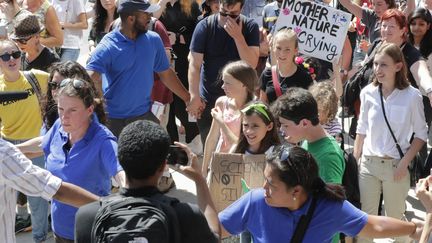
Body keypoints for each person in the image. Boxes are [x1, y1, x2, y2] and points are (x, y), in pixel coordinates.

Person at [219, 146, 423, 243]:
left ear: (296, 191)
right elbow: (214, 229)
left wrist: (414, 228)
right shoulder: (256, 201)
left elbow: (374, 226)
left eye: (271, 183)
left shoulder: (329, 207)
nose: (263, 187)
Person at [74, 120, 221, 242]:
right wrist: (200, 180)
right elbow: (215, 235)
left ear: (121, 160)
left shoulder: (87, 217)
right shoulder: (186, 215)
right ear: (163, 166)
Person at [18, 78, 125, 242]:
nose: (64, 117)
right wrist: (10, 151)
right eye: (60, 109)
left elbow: (120, 171)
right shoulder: (59, 127)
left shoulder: (103, 140)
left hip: (90, 233)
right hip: (59, 230)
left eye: (72, 110)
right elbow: (42, 144)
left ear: (89, 110)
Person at [353, 42, 428, 243]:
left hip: (396, 166)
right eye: (376, 64)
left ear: (398, 66)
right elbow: (361, 129)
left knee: (396, 220)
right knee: (365, 219)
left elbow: (421, 134)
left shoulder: (412, 96)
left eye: (384, 64)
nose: (378, 69)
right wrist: (355, 160)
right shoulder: (368, 92)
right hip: (368, 164)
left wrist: (405, 162)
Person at [86, 0, 190, 138]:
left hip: (144, 118)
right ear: (131, 19)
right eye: (145, 14)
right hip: (114, 121)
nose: (150, 17)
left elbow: (165, 73)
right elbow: (89, 77)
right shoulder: (108, 45)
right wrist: (98, 105)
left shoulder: (153, 40)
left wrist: (187, 97)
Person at [188, 0, 260, 145]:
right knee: (211, 147)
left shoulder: (250, 26)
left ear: (242, 9)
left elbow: (251, 63)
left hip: (240, 101)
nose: (227, 18)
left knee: (239, 148)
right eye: (223, 13)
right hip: (210, 100)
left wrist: (238, 37)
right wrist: (194, 96)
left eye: (233, 15)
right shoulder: (205, 26)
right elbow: (194, 65)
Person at [0, 139, 99, 243]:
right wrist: (106, 205)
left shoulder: (5, 152)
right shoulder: (3, 153)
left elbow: (49, 140)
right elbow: (55, 189)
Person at [0, 38, 51, 241]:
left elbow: (65, 80)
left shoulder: (37, 78)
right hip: (7, 145)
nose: (11, 59)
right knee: (6, 200)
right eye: (5, 56)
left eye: (15, 54)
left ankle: (39, 237)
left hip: (35, 145)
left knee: (38, 198)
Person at [152, 0, 202, 148]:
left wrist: (179, 37)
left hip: (184, 58)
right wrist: (161, 4)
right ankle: (171, 144)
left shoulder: (190, 5)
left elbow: (197, 32)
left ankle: (193, 135)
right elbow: (149, 22)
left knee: (183, 100)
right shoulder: (157, 5)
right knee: (166, 104)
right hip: (162, 62)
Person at [271, 87, 345, 184]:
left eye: (286, 125)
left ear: (304, 123)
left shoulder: (328, 157)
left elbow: (331, 198)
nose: (281, 130)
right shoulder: (307, 140)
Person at [201, 60, 259, 178]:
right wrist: (204, 169)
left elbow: (241, 144)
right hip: (220, 161)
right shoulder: (222, 103)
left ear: (243, 84)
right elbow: (212, 138)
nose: (223, 86)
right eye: (223, 82)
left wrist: (221, 122)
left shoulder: (255, 109)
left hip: (242, 166)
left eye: (228, 83)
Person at [259, 28, 313, 104]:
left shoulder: (305, 78)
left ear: (295, 51)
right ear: (273, 48)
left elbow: (309, 108)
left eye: (287, 49)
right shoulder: (267, 73)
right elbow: (262, 105)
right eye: (278, 48)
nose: (282, 53)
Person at [408, 7, 432, 71]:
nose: (416, 27)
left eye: (421, 24)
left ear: (428, 26)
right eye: (413, 23)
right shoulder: (404, 44)